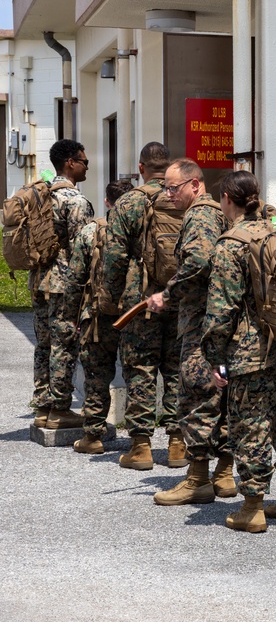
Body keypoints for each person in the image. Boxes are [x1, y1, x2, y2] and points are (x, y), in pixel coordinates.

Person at [202, 171, 276, 533]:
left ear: (226, 200)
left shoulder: (231, 244)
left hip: (251, 351)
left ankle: (252, 507)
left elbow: (222, 311)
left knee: (251, 425)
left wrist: (215, 357)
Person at [146, 158, 233, 506]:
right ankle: (224, 475)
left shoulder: (199, 215)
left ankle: (197, 479)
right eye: (165, 188)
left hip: (200, 324)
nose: (169, 195)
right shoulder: (218, 213)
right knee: (221, 398)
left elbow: (198, 262)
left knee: (196, 396)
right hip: (220, 322)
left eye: (174, 188)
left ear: (195, 185)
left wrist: (166, 294)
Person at [103, 142, 187, 469]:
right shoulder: (181, 199)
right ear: (168, 167)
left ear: (141, 168)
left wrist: (111, 300)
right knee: (177, 369)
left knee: (141, 369)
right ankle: (178, 444)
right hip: (179, 300)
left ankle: (140, 448)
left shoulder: (129, 203)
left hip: (140, 302)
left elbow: (113, 259)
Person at [31, 139, 94, 429]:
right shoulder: (75, 200)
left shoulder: (39, 194)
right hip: (64, 283)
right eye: (83, 161)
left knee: (43, 344)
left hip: (39, 279)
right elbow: (84, 248)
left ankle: (42, 407)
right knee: (63, 345)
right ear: (70, 162)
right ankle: (60, 409)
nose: (86, 166)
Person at [66, 179, 132, 454]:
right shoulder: (141, 229)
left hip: (97, 314)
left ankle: (93, 436)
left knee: (96, 373)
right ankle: (145, 442)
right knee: (140, 374)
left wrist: (71, 316)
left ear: (107, 202)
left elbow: (75, 279)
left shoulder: (91, 231)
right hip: (136, 313)